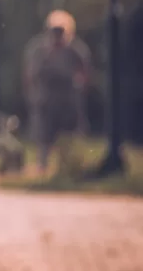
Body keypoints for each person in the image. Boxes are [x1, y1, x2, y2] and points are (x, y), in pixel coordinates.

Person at [23, 10, 92, 176]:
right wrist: (32, 94)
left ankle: (68, 169)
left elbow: (85, 72)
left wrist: (80, 91)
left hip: (68, 99)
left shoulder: (75, 50)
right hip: (46, 99)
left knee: (69, 136)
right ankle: (43, 168)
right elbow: (29, 74)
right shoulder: (38, 49)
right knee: (44, 136)